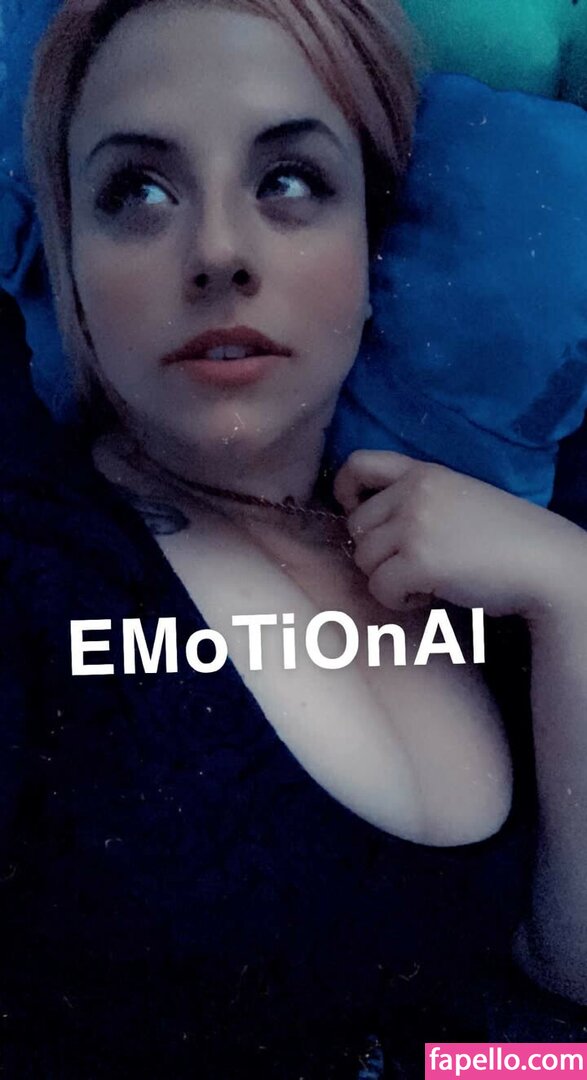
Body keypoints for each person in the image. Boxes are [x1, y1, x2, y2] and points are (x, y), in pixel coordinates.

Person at [1, 0, 586, 1075]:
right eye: (138, 192)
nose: (219, 253)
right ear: (72, 263)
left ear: (371, 242)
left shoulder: (488, 552)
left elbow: (565, 973)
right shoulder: (32, 567)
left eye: (287, 181)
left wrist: (570, 591)